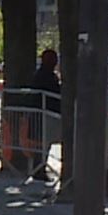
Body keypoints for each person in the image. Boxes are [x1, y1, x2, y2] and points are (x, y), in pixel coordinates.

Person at [28, 49, 61, 182]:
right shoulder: (48, 76)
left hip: (42, 113)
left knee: (41, 144)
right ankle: (39, 170)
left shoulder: (40, 74)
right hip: (46, 113)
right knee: (43, 143)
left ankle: (38, 169)